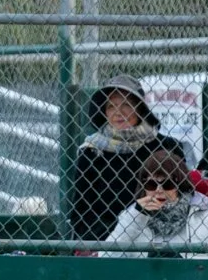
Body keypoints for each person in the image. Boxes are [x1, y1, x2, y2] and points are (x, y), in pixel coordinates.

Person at [71, 75, 188, 243]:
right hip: (106, 240)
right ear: (104, 111)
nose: (118, 112)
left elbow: (182, 197)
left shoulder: (167, 146)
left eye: (126, 104)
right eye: (111, 106)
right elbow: (81, 213)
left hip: (158, 238)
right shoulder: (91, 151)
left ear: (140, 108)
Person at [98, 149, 208, 259]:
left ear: (180, 185)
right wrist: (138, 215)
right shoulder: (132, 215)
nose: (159, 190)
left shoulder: (205, 214)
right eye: (151, 184)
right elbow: (105, 256)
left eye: (167, 184)